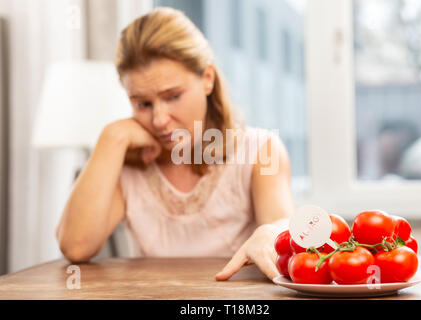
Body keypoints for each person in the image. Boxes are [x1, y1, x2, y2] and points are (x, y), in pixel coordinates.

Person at [55, 7, 295, 281]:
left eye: (172, 96)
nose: (158, 119)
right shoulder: (127, 165)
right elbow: (75, 246)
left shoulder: (261, 149)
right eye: (142, 103)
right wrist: (111, 138)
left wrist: (271, 231)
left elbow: (280, 224)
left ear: (207, 79)